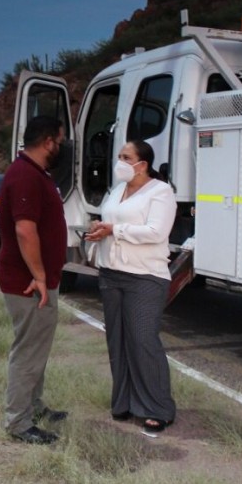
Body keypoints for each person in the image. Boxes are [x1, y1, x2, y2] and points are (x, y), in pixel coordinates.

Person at [84, 139, 177, 435]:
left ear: (142, 164)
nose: (120, 161)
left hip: (145, 275)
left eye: (126, 157)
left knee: (142, 339)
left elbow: (156, 231)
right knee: (118, 340)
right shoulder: (116, 190)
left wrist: (115, 229)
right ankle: (124, 402)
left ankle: (157, 408)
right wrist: (100, 227)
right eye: (119, 156)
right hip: (111, 273)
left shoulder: (160, 192)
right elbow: (111, 221)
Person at [0, 115, 69, 445]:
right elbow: (25, 230)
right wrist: (39, 276)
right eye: (61, 139)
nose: (63, 145)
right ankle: (19, 422)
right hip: (29, 284)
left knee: (36, 349)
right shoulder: (25, 175)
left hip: (39, 281)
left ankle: (33, 406)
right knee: (28, 352)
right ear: (49, 141)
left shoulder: (36, 173)